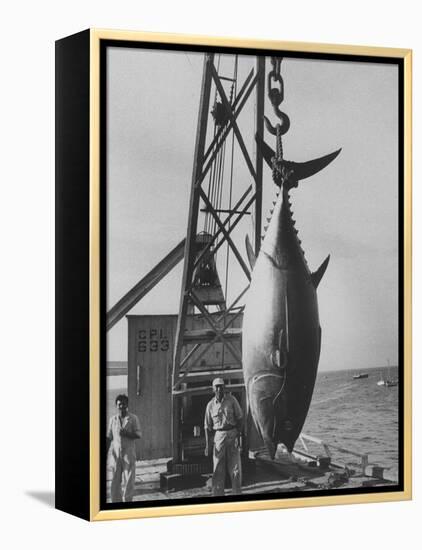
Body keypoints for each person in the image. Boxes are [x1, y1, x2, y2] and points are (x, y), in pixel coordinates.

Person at [204, 378, 243, 496]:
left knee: (235, 469)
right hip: (218, 436)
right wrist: (207, 445)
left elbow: (240, 418)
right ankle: (218, 496)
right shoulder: (210, 405)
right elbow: (207, 426)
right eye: (216, 386)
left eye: (221, 386)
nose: (219, 389)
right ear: (213, 389)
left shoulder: (232, 400)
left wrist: (238, 435)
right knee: (218, 469)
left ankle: (237, 495)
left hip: (232, 434)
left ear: (224, 388)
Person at [106, 394, 141, 503]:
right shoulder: (113, 420)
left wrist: (127, 433)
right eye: (119, 404)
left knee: (129, 480)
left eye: (124, 404)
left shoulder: (133, 418)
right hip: (116, 455)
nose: (122, 406)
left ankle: (127, 502)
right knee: (115, 481)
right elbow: (109, 437)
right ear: (116, 406)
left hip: (128, 455)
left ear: (127, 405)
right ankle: (116, 503)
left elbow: (138, 435)